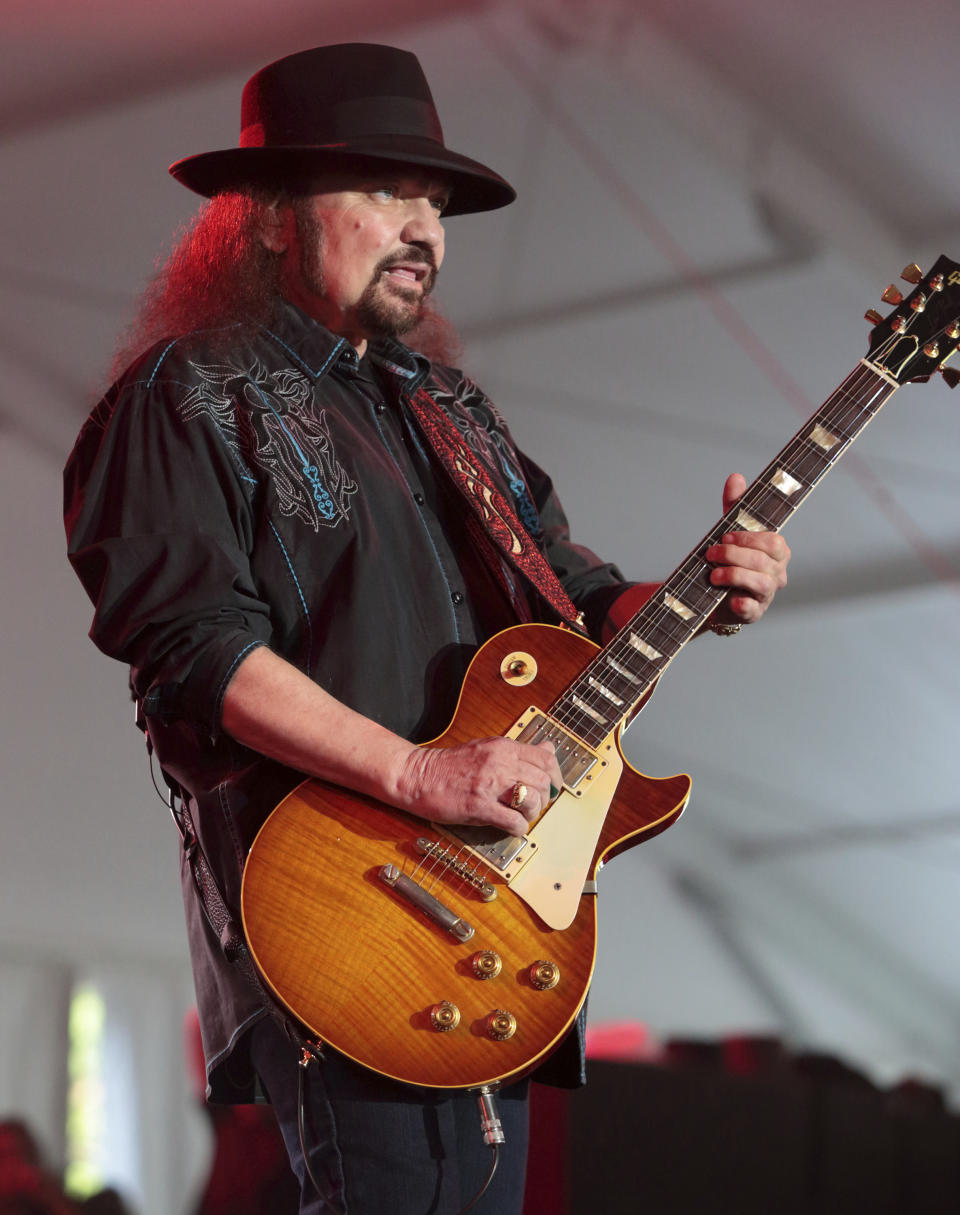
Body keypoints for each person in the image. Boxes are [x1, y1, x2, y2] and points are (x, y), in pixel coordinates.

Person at [63, 43, 790, 1215]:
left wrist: (702, 587)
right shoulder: (184, 395)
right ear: (267, 221)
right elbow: (195, 653)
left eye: (438, 204)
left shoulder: (448, 405)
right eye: (386, 192)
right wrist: (418, 772)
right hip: (345, 908)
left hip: (495, 910)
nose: (426, 230)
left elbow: (574, 588)